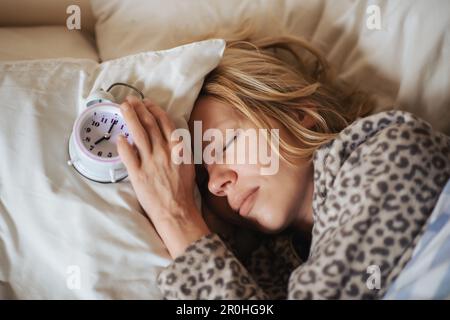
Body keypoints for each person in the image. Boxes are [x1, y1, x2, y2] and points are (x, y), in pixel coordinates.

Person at [116, 36, 450, 299]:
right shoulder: (271, 267)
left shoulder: (393, 150)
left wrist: (175, 214)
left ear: (296, 113)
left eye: (225, 145)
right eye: (202, 182)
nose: (217, 183)